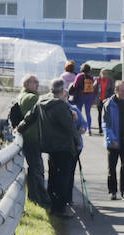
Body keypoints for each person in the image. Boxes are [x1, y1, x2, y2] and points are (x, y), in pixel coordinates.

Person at [17, 79, 80, 218]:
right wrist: (77, 142)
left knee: (53, 176)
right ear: (62, 90)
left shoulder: (41, 101)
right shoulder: (60, 106)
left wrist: (19, 129)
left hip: (49, 145)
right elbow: (69, 127)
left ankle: (53, 205)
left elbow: (29, 118)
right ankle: (59, 208)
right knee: (63, 178)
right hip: (63, 146)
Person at [16, 74, 51, 207]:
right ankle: (37, 197)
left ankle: (35, 196)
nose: (37, 84)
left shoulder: (22, 96)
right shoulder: (31, 97)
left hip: (28, 136)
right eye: (34, 82)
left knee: (34, 168)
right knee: (37, 168)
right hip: (32, 137)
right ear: (27, 84)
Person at [102, 80, 124, 201]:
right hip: (113, 141)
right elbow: (105, 124)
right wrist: (111, 138)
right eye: (122, 90)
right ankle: (112, 191)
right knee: (112, 167)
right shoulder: (108, 104)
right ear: (116, 90)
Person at [71, 63, 97, 135]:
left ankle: (79, 126)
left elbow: (75, 85)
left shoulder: (79, 76)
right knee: (88, 113)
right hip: (89, 96)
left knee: (79, 112)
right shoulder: (91, 77)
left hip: (80, 96)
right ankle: (89, 129)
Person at [95, 69, 115, 134]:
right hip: (99, 100)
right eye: (103, 74)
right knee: (100, 114)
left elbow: (112, 91)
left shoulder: (110, 81)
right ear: (100, 74)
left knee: (107, 114)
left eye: (105, 74)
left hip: (107, 100)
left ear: (107, 75)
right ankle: (100, 128)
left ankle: (107, 127)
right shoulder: (98, 80)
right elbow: (94, 89)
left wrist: (109, 98)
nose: (104, 75)